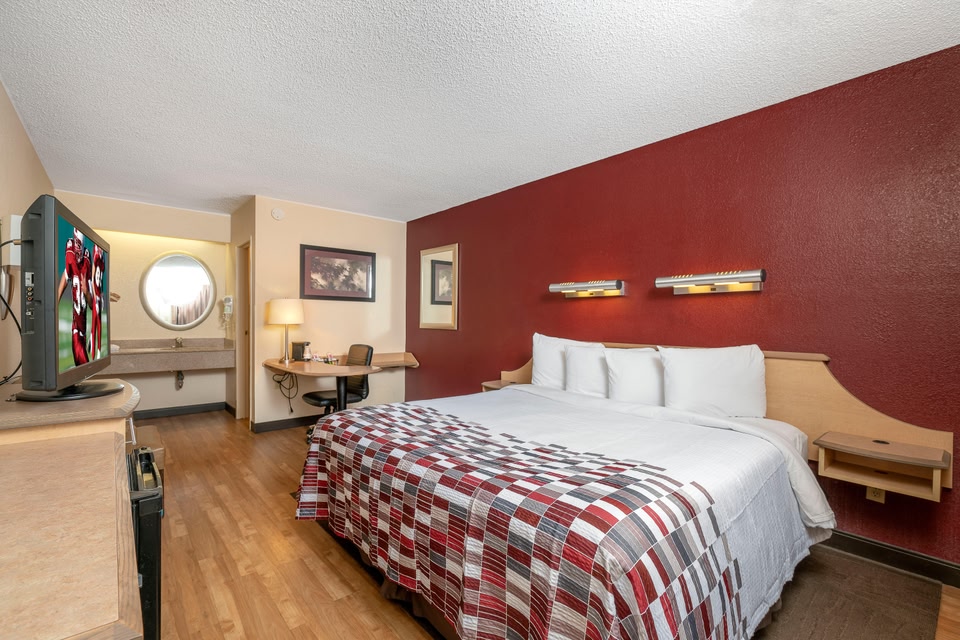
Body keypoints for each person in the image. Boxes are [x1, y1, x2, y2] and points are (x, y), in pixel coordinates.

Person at [56, 231, 91, 366]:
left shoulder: (86, 261)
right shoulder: (71, 255)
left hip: (82, 323)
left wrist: (86, 292)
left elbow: (91, 304)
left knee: (82, 366)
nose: (77, 251)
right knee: (83, 365)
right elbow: (65, 277)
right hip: (76, 324)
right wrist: (54, 305)